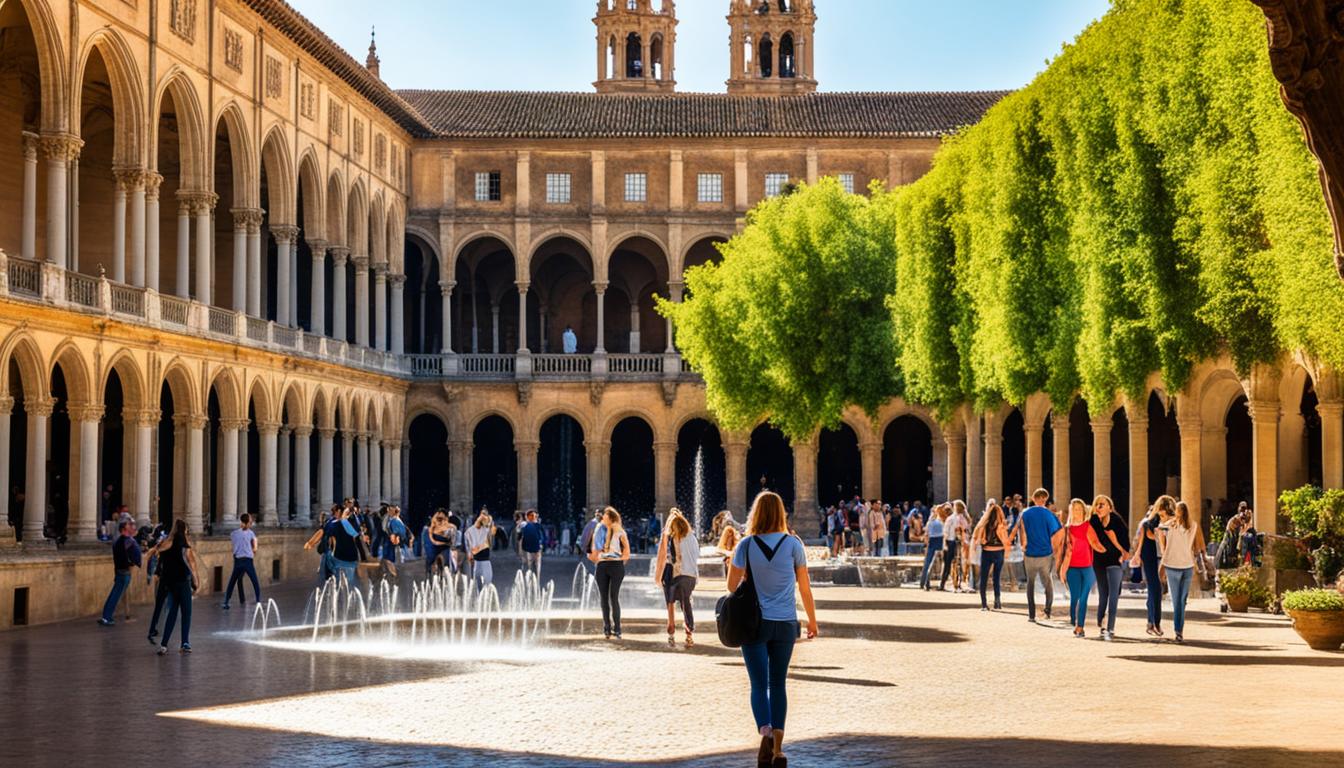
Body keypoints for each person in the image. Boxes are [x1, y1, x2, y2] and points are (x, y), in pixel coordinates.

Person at [726, 491, 818, 768]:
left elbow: (732, 587)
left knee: (758, 684)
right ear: (781, 514)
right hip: (786, 623)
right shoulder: (793, 545)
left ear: (756, 514)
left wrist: (755, 583)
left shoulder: (745, 545)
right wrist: (812, 621)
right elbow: (805, 588)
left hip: (754, 624)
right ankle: (779, 750)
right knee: (778, 684)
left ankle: (764, 733)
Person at [144, 519, 200, 655]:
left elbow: (154, 552)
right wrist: (196, 581)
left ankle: (164, 645)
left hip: (170, 583)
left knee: (172, 613)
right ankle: (185, 643)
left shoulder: (165, 543)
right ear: (184, 530)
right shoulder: (183, 544)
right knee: (186, 613)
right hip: (182, 582)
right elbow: (191, 563)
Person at [1159, 497, 1206, 644]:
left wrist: (1163, 556)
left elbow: (1159, 529)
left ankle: (1178, 630)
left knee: (1177, 600)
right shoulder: (1193, 525)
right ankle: (1179, 630)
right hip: (1186, 565)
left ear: (1178, 512)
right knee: (1181, 600)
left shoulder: (1171, 525)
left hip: (1174, 565)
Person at [1058, 498, 1106, 639]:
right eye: (1074, 509)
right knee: (1075, 598)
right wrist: (1062, 570)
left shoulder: (1087, 527)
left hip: (1088, 568)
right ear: (1071, 512)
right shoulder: (1067, 529)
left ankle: (1080, 627)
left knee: (1083, 598)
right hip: (1072, 568)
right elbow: (1064, 552)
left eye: (1079, 509)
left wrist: (1111, 554)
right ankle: (1074, 621)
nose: (1077, 512)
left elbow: (1097, 545)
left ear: (1084, 511)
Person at [654, 507, 700, 647]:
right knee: (686, 602)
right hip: (690, 575)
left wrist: (657, 576)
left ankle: (671, 632)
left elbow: (662, 557)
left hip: (672, 573)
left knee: (670, 603)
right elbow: (696, 556)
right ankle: (689, 633)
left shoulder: (668, 536)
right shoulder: (692, 537)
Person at [1016, 488, 1063, 622]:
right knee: (1047, 582)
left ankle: (1031, 615)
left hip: (1030, 553)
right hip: (1045, 553)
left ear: (1033, 498)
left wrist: (1023, 546)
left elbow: (1021, 531)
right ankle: (1047, 611)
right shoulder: (1048, 514)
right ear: (1044, 500)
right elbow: (1059, 532)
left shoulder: (1025, 513)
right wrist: (1055, 548)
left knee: (1030, 584)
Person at [1089, 494, 1130, 640]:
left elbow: (1126, 545)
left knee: (1114, 594)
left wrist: (1119, 547)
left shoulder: (1117, 521)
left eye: (1102, 504)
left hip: (1114, 561)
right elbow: (1091, 541)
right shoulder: (1093, 521)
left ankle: (1110, 627)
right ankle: (1101, 621)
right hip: (1099, 562)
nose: (1099, 507)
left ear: (1109, 508)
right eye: (1097, 504)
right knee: (1103, 594)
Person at [1130, 499, 1171, 637]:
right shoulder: (1147, 525)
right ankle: (1155, 623)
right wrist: (1137, 556)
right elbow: (1141, 542)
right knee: (1156, 590)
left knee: (1154, 592)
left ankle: (1151, 622)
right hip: (1151, 561)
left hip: (1163, 559)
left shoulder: (1169, 525)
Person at [589, 506, 630, 639]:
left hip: (616, 565)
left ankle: (617, 628)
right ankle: (607, 627)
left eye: (605, 516)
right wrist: (599, 557)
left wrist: (615, 557)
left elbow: (627, 552)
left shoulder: (620, 531)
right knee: (603, 598)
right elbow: (593, 549)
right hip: (602, 565)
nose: (602, 518)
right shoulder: (599, 529)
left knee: (614, 597)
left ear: (611, 517)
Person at [97, 517, 142, 627]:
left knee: (114, 594)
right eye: (129, 525)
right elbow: (137, 557)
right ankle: (106, 617)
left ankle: (106, 616)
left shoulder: (119, 541)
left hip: (119, 571)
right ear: (124, 528)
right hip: (124, 572)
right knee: (116, 595)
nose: (131, 527)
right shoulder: (129, 541)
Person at [974, 501, 1010, 611]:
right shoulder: (1002, 525)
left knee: (984, 578)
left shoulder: (983, 525)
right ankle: (997, 602)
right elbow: (1006, 541)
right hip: (999, 552)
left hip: (987, 552)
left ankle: (984, 604)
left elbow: (978, 539)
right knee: (996, 578)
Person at [222, 513, 261, 610]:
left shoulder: (234, 533)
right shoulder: (251, 533)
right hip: (247, 560)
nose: (251, 523)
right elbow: (255, 547)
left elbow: (233, 543)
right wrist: (252, 550)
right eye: (250, 522)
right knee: (254, 581)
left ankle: (227, 601)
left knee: (233, 581)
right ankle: (258, 600)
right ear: (247, 523)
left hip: (238, 560)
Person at [940, 500, 968, 591]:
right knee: (950, 564)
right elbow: (946, 532)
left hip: (956, 542)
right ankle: (944, 583)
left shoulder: (959, 518)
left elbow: (946, 532)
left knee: (956, 563)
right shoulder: (953, 518)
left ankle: (956, 583)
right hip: (952, 542)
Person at [465, 510, 497, 588]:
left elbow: (492, 534)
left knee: (486, 582)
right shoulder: (471, 531)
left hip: (484, 559)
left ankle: (484, 597)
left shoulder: (486, 530)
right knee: (478, 583)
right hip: (478, 560)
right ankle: (481, 597)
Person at [919, 504, 946, 590]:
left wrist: (927, 544)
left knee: (928, 563)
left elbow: (927, 534)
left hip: (933, 541)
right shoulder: (940, 521)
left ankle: (924, 582)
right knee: (937, 563)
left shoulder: (930, 521)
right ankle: (929, 582)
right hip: (939, 540)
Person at [380, 506, 409, 578]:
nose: (388, 511)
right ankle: (392, 575)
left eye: (390, 510)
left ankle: (394, 575)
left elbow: (399, 533)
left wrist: (395, 537)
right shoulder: (393, 520)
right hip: (392, 542)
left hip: (394, 543)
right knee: (388, 559)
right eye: (388, 510)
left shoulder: (395, 520)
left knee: (391, 560)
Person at [520, 509, 544, 576]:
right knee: (532, 564)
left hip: (534, 548)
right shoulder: (527, 526)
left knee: (534, 564)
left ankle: (534, 580)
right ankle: (533, 579)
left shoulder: (535, 526)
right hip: (532, 548)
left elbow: (541, 536)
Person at [579, 509, 601, 574]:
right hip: (590, 548)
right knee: (592, 565)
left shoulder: (591, 523)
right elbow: (589, 536)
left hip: (589, 547)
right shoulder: (594, 524)